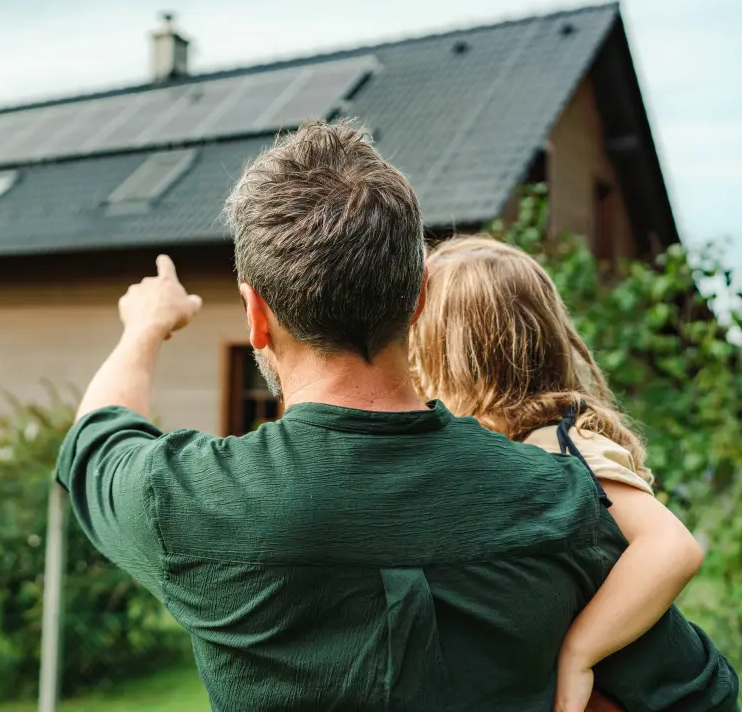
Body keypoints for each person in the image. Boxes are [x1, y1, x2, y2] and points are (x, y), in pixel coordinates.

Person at [55, 120, 738, 711]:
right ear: (416, 300)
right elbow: (701, 694)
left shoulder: (186, 500)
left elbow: (96, 437)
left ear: (256, 315)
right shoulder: (557, 496)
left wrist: (145, 327)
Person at [409, 235, 708, 712]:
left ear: (456, 360)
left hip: (673, 697)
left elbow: (672, 548)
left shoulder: (566, 446)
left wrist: (579, 653)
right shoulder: (510, 449)